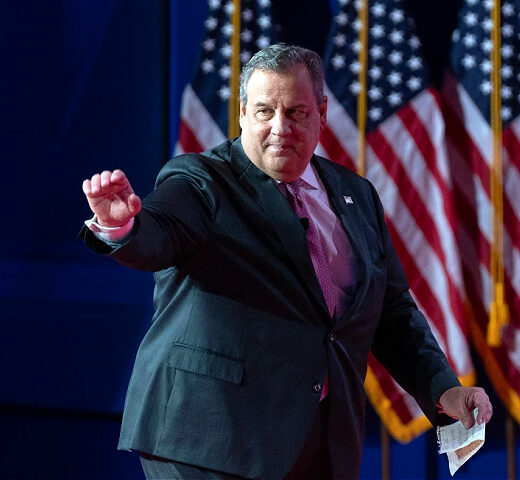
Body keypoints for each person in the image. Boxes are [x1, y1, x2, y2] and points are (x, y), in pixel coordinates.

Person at [80, 44, 492, 480]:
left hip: (320, 444)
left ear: (322, 112)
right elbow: (159, 235)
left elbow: (390, 310)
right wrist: (122, 229)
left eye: (296, 112)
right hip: (210, 441)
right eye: (264, 112)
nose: (280, 129)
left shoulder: (356, 195)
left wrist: (442, 388)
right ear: (242, 113)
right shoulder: (201, 181)